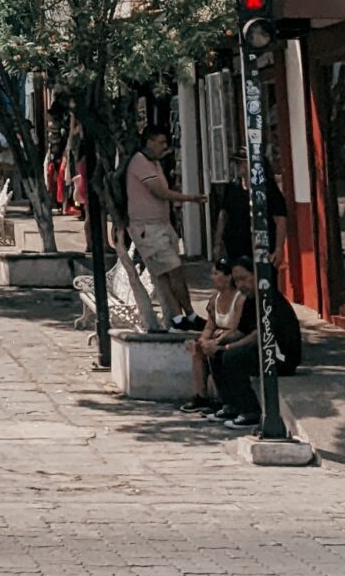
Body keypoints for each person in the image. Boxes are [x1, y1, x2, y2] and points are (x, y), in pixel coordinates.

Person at [207, 255, 302, 429]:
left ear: (257, 275)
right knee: (217, 354)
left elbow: (258, 335)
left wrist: (229, 347)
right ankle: (231, 405)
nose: (241, 285)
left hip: (280, 357)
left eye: (244, 279)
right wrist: (218, 342)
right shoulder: (251, 299)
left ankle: (250, 411)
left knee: (231, 357)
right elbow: (241, 331)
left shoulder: (268, 298)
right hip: (263, 350)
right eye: (237, 281)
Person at [124, 128, 206, 329]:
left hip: (161, 224)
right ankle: (188, 315)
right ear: (150, 142)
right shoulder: (140, 162)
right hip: (148, 229)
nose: (164, 147)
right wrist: (190, 198)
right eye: (160, 142)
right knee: (172, 270)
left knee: (165, 274)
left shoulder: (155, 163)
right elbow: (160, 192)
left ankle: (179, 318)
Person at [179, 257, 244, 413]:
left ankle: (226, 400)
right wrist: (203, 340)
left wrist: (216, 341)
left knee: (217, 352)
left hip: (234, 338)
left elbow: (236, 328)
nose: (212, 277)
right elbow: (209, 326)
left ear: (228, 277)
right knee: (198, 349)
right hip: (218, 337)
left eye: (216, 273)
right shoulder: (215, 300)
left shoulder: (240, 298)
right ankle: (202, 397)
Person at [214, 149, 289, 272]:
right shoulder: (232, 188)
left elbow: (280, 219)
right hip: (234, 248)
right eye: (238, 163)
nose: (240, 166)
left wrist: (278, 248)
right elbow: (223, 215)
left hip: (261, 247)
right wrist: (217, 244)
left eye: (243, 162)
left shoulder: (268, 189)